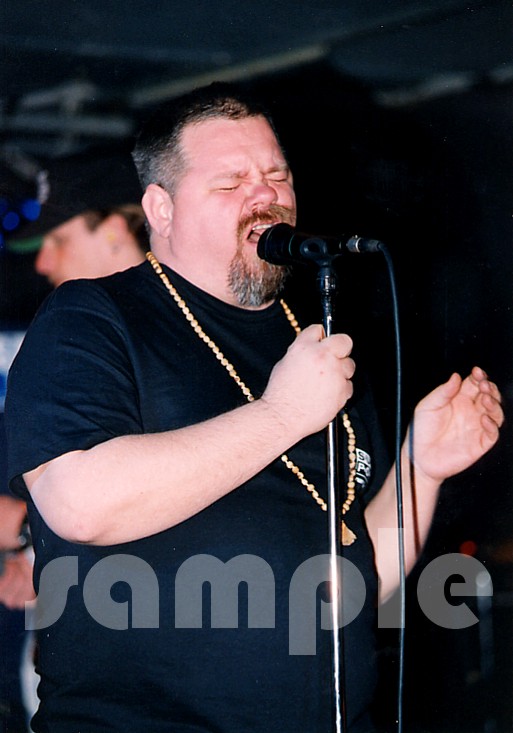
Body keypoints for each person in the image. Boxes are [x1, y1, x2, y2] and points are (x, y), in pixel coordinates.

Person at [4, 83, 503, 733]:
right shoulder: (92, 317)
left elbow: (356, 581)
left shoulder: (320, 344)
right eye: (230, 182)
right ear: (160, 208)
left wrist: (420, 467)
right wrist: (281, 415)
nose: (265, 194)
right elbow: (79, 503)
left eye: (276, 174)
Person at [0, 151, 148, 732]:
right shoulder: (80, 337)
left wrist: (31, 536)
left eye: (59, 239)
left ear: (114, 228)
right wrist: (36, 548)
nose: (42, 262)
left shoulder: (182, 333)